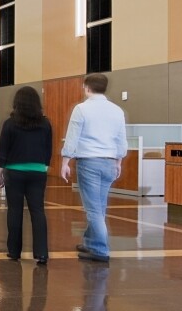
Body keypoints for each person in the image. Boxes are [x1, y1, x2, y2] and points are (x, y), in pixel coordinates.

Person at [61, 73, 127, 263]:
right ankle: (90, 241)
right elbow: (121, 139)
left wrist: (66, 161)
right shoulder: (117, 111)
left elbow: (72, 137)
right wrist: (118, 161)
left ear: (86, 87)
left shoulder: (81, 109)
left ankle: (100, 249)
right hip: (109, 161)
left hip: (89, 161)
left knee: (93, 209)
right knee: (99, 206)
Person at [0, 86, 52, 265]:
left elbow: (3, 151)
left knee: (14, 210)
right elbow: (48, 149)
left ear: (16, 103)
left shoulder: (9, 124)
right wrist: (44, 167)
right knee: (38, 211)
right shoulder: (45, 123)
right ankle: (42, 253)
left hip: (15, 172)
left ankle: (14, 251)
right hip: (38, 171)